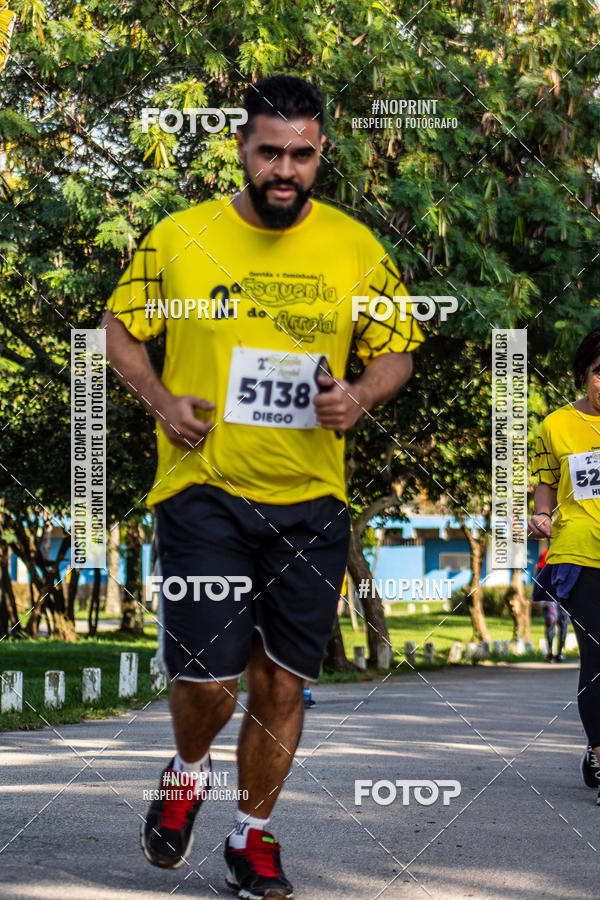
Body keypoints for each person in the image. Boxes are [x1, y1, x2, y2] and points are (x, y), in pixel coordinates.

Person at [102, 75, 423, 899]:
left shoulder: (355, 247)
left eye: (302, 154)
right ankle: (185, 773)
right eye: (270, 151)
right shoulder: (179, 238)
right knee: (209, 681)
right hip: (202, 485)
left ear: (322, 155)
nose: (285, 168)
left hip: (312, 499)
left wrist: (360, 394)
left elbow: (396, 353)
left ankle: (251, 838)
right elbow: (120, 332)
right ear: (241, 148)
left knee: (283, 680)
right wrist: (163, 401)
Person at [529, 326, 600, 803]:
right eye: (599, 373)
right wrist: (539, 514)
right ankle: (599, 751)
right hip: (579, 553)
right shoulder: (555, 425)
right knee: (597, 658)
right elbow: (545, 484)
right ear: (584, 374)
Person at [534, 549, 570, 662]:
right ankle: (552, 653)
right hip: (554, 596)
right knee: (554, 624)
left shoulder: (567, 553)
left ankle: (558, 653)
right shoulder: (546, 554)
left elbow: (538, 572)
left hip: (562, 595)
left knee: (561, 624)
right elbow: (539, 572)